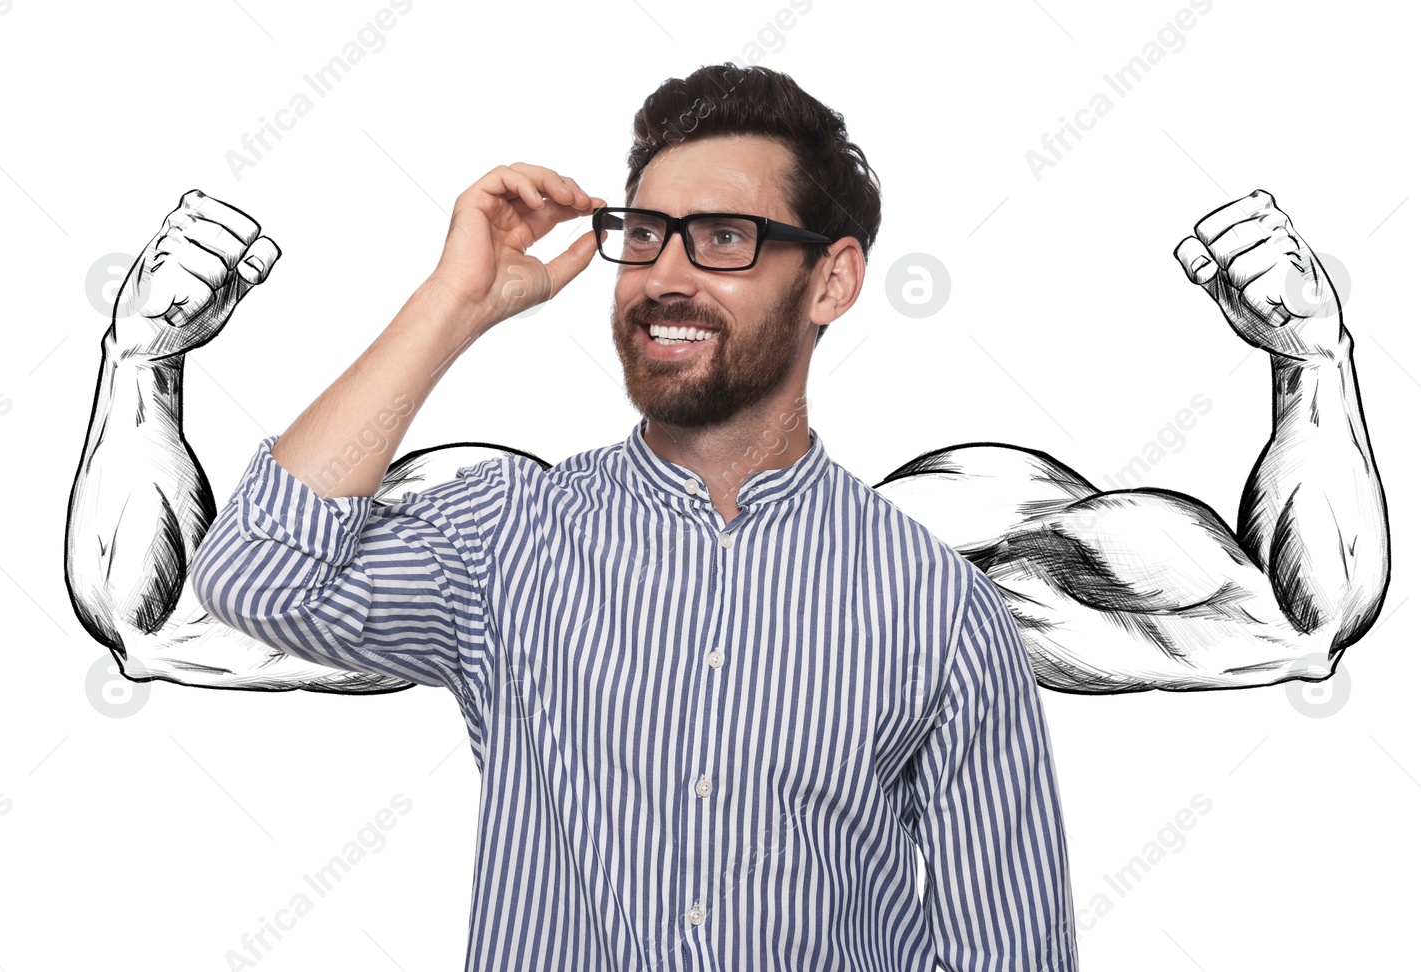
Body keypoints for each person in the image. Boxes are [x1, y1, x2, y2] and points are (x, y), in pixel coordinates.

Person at [186, 64, 1079, 969]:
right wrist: (452, 306)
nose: (665, 276)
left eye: (724, 238)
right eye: (645, 236)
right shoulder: (508, 539)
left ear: (831, 282)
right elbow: (255, 574)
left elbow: (1011, 952)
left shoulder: (940, 607)